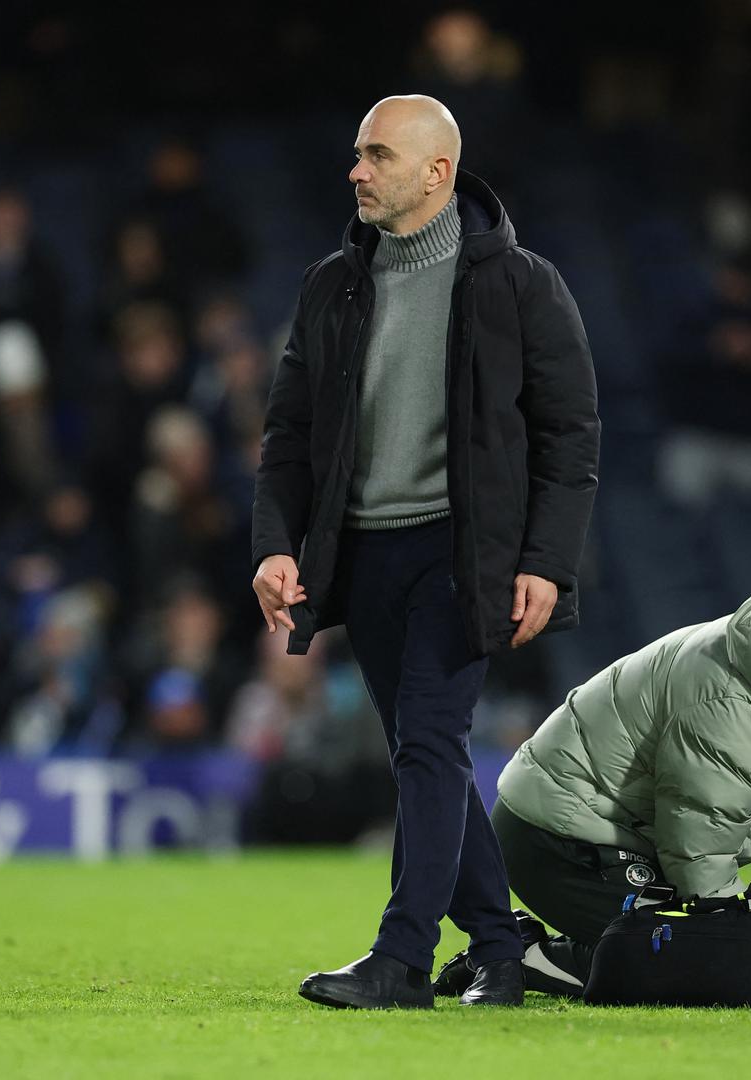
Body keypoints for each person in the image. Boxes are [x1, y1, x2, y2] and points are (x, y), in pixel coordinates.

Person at [251, 95, 599, 1010]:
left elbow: (571, 438)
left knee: (430, 743)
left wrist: (546, 562)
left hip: (463, 553)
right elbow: (288, 435)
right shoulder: (332, 285)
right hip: (364, 554)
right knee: (424, 750)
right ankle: (500, 951)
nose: (356, 172)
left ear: (437, 173)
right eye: (357, 154)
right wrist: (276, 545)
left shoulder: (520, 284)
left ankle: (402, 959)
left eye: (377, 155)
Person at [437, 586, 751, 998]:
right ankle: (516, 955)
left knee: (704, 952)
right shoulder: (726, 705)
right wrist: (740, 949)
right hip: (557, 834)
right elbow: (700, 854)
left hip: (617, 833)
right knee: (699, 962)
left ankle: (529, 948)